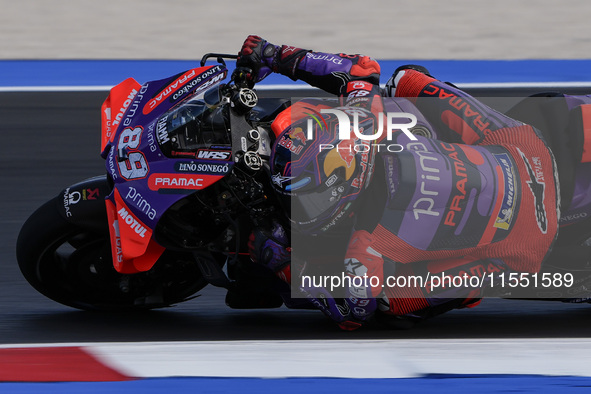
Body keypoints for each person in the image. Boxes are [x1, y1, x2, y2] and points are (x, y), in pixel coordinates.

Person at [238, 35, 578, 330]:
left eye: (307, 198)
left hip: (521, 244)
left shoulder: (364, 251)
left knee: (388, 305)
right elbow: (361, 68)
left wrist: (281, 262)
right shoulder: (364, 119)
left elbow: (351, 314)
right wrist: (273, 54)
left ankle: (468, 290)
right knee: (405, 80)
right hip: (526, 151)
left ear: (341, 191)